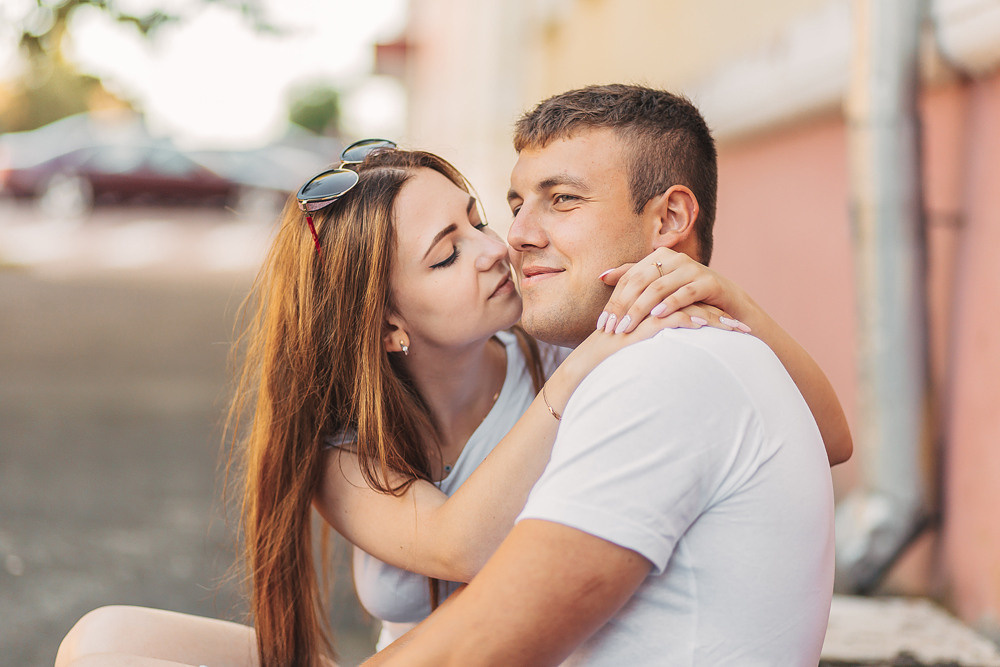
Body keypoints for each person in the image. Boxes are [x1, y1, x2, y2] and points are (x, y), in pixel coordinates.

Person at [57, 134, 849, 666]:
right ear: (389, 323)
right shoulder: (350, 448)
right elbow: (455, 544)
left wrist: (731, 297)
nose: (494, 249)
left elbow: (831, 435)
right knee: (107, 641)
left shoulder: (561, 340)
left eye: (476, 219)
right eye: (446, 254)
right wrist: (573, 382)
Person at [365, 84, 843, 666]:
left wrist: (736, 300)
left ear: (669, 218)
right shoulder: (600, 357)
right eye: (515, 205)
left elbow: (484, 646)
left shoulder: (660, 371)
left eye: (562, 199)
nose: (512, 239)